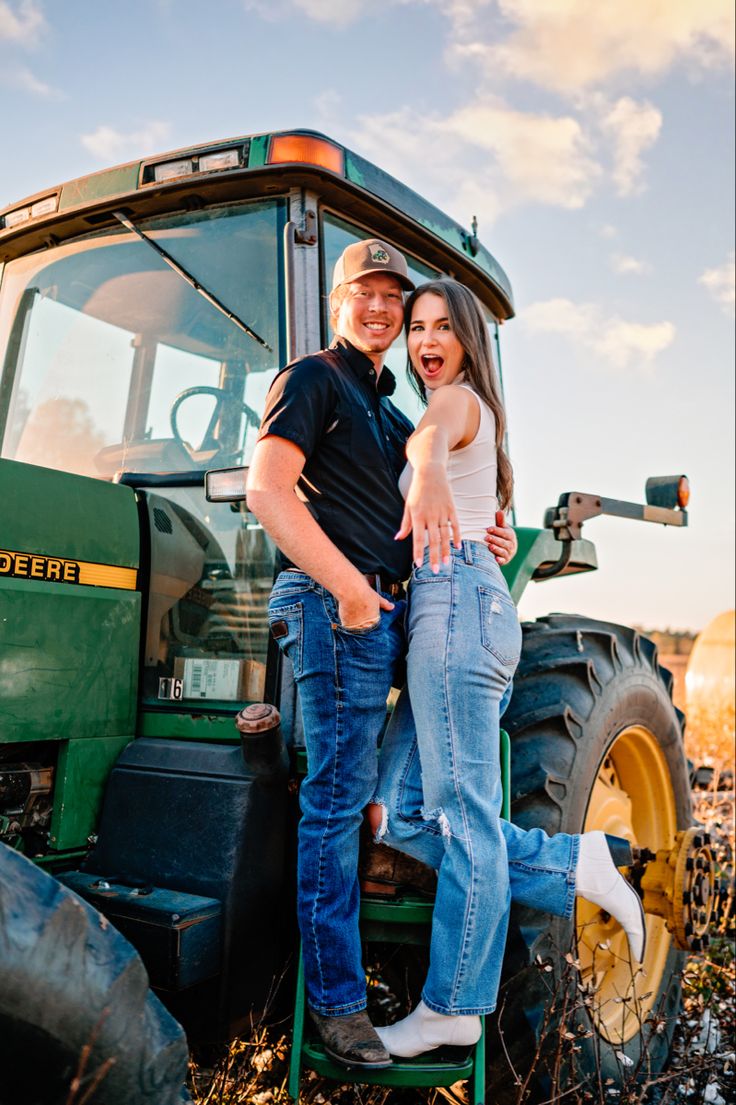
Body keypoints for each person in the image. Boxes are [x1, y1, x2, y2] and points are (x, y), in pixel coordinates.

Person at [246, 240, 515, 1071]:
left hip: (398, 613)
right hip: (341, 607)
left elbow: (432, 465)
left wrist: (479, 530)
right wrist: (353, 594)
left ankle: (566, 871)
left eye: (394, 300)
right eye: (365, 293)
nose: (381, 309)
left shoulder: (394, 410)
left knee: (398, 804)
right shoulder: (313, 378)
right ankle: (337, 1005)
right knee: (336, 804)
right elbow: (265, 488)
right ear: (336, 303)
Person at [367, 280, 646, 1059]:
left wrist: (421, 473)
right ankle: (574, 864)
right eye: (416, 327)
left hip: (454, 606)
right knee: (399, 812)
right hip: (452, 601)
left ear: (467, 344)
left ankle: (453, 1004)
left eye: (441, 327)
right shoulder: (466, 417)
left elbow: (429, 443)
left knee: (461, 818)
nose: (425, 340)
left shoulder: (453, 403)